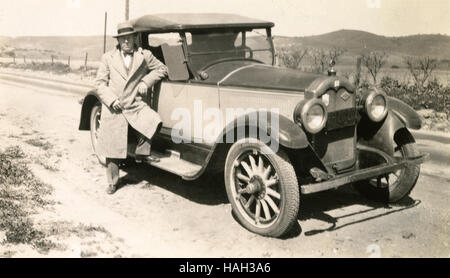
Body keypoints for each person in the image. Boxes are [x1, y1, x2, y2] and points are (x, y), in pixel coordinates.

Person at [95, 21, 168, 194]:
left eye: (129, 38)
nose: (126, 42)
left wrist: (145, 81)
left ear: (135, 38)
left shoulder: (145, 55)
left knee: (154, 121)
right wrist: (112, 100)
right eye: (123, 39)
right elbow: (100, 84)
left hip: (134, 104)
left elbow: (162, 69)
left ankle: (141, 152)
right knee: (112, 147)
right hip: (115, 107)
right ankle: (112, 182)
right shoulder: (108, 58)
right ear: (118, 41)